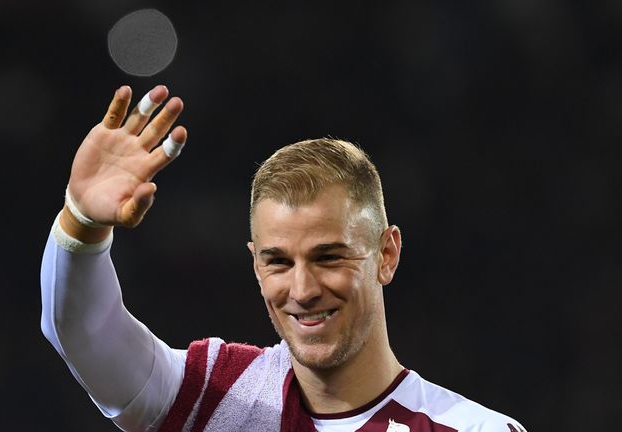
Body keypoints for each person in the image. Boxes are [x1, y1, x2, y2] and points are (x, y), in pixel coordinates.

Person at [40, 85, 527, 432]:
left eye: (328, 257)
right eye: (277, 261)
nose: (303, 290)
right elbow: (83, 333)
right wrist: (81, 222)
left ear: (386, 253)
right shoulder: (216, 394)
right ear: (254, 264)